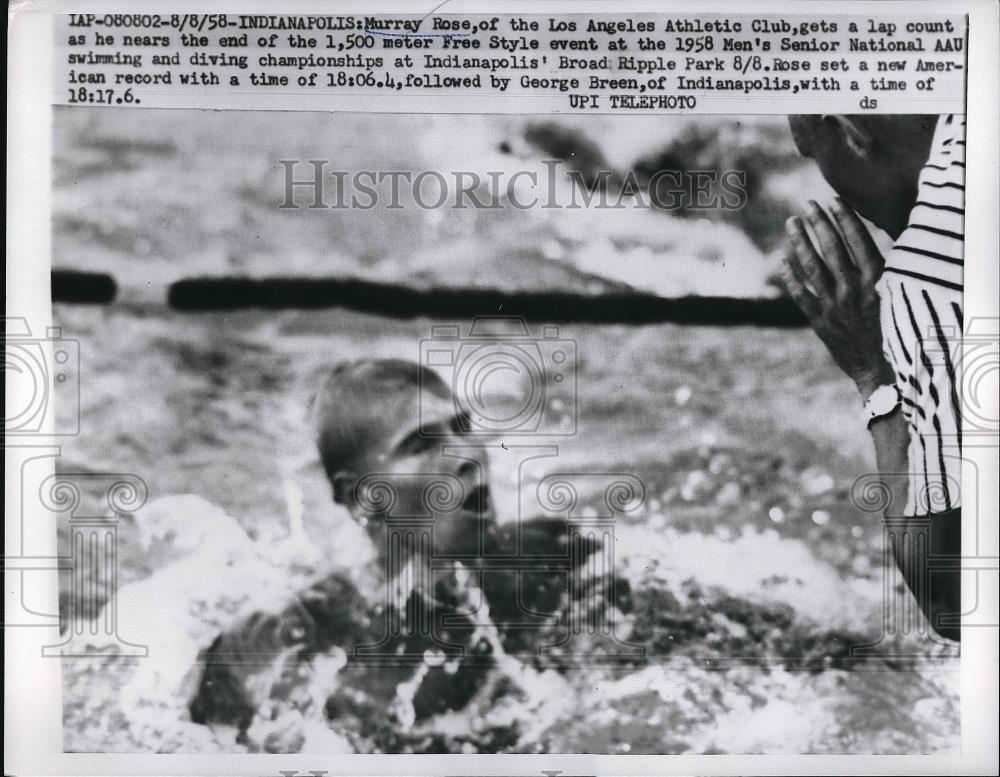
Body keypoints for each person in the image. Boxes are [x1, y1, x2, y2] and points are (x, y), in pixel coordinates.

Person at [783, 114, 964, 641]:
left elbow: (955, 600)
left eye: (814, 155)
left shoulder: (930, 265)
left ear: (853, 133)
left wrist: (874, 374)